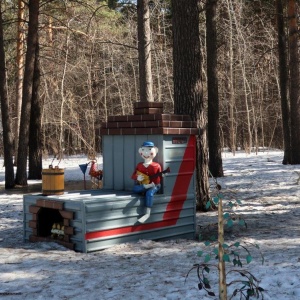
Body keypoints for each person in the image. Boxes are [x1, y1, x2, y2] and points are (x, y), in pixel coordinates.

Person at [131, 141, 162, 223]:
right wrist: (138, 177)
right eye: (144, 150)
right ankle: (145, 187)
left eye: (149, 150)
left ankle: (147, 213)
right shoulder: (139, 165)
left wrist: (155, 181)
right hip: (144, 185)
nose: (146, 153)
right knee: (135, 189)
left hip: (154, 185)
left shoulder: (156, 165)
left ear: (154, 151)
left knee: (149, 193)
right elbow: (133, 175)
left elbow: (160, 177)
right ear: (140, 151)